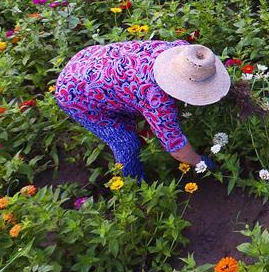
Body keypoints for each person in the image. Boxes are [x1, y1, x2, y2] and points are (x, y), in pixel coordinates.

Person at [54, 40, 231, 181]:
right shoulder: (157, 99)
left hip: (89, 59)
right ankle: (133, 186)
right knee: (126, 142)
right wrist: (201, 162)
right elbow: (176, 148)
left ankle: (119, 104)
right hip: (75, 92)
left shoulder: (181, 52)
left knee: (131, 106)